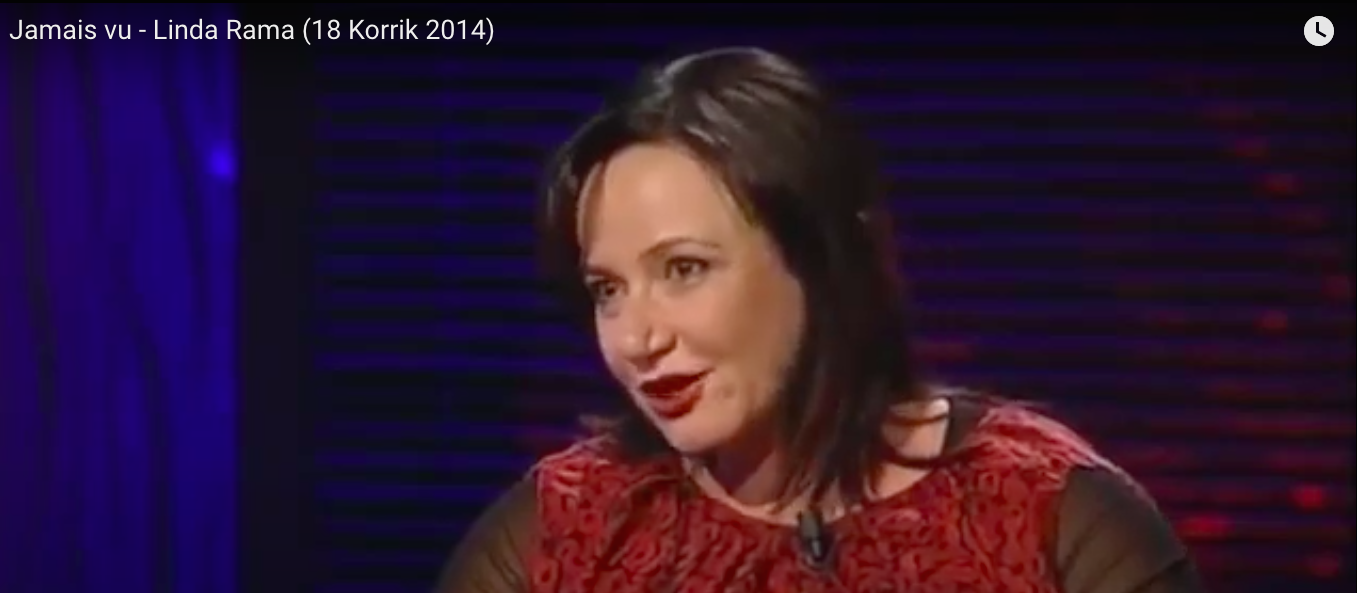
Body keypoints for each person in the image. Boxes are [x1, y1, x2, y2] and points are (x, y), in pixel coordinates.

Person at [434, 47, 1207, 593]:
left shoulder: (1054, 517)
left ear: (826, 256)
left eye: (684, 269)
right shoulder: (558, 535)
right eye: (607, 289)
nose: (637, 338)